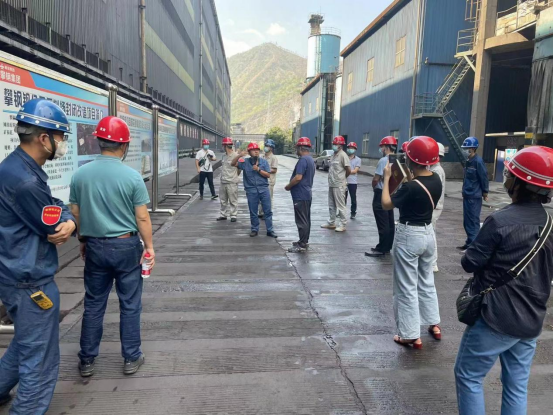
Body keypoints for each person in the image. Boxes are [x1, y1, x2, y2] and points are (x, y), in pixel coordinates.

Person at [454, 146, 553, 415]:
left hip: (496, 316)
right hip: (531, 318)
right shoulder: (549, 223)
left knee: (468, 376)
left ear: (519, 183)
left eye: (510, 175)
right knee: (516, 386)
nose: (506, 179)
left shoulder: (499, 221)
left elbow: (469, 262)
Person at [0, 99, 76, 413]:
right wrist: (68, 220)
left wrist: (67, 215)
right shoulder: (27, 181)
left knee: (25, 344)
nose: (63, 143)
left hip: (14, 275)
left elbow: (52, 205)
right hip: (31, 282)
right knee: (40, 359)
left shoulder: (16, 167)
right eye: (61, 137)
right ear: (44, 138)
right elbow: (53, 224)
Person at [69, 116, 155, 378]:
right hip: (127, 246)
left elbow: (76, 212)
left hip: (95, 246)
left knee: (94, 304)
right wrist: (149, 247)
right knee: (130, 304)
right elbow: (142, 217)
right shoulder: (132, 177)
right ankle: (131, 357)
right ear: (124, 145)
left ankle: (87, 360)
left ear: (99, 142)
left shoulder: (80, 174)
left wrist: (83, 240)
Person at [381, 136, 442, 349]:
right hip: (428, 233)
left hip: (409, 235)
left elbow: (386, 204)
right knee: (426, 280)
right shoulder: (436, 179)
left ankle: (410, 335)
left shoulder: (410, 187)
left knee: (406, 286)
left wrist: (387, 179)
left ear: (410, 159)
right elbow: (418, 185)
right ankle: (433, 324)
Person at [232, 142, 278, 238]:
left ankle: (270, 230)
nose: (256, 152)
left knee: (267, 211)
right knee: (253, 211)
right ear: (249, 152)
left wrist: (258, 170)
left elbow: (268, 175)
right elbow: (233, 163)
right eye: (253, 150)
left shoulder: (264, 162)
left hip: (264, 189)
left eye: (257, 150)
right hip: (251, 190)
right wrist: (239, 155)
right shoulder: (244, 162)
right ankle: (254, 229)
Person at [366, 136, 397, 257]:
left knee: (382, 221)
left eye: (382, 147)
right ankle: (387, 246)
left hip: (381, 192)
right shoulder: (398, 159)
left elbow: (376, 179)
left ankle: (382, 248)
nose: (381, 149)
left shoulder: (384, 160)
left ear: (386, 147)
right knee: (389, 220)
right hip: (391, 192)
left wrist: (374, 187)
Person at [285, 137, 315, 253]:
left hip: (300, 194)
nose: (296, 150)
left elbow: (298, 177)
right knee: (306, 219)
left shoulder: (303, 160)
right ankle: (303, 240)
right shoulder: (310, 159)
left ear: (300, 148)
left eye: (297, 148)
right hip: (306, 193)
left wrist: (289, 186)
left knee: (301, 220)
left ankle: (302, 244)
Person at [458, 137, 488, 250]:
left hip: (474, 196)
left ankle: (473, 246)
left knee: (473, 221)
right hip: (467, 194)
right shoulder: (468, 161)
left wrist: (485, 192)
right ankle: (469, 242)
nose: (465, 150)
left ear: (473, 148)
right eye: (464, 148)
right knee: (467, 221)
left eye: (467, 148)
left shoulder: (478, 162)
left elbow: (484, 177)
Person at [320, 136, 351, 232]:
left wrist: (342, 178)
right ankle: (331, 222)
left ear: (340, 145)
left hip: (339, 184)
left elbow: (348, 170)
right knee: (331, 204)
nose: (334, 145)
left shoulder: (343, 155)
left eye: (335, 144)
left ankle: (343, 224)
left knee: (340, 206)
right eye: (333, 144)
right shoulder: (333, 155)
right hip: (332, 183)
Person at [430, 142, 446, 272]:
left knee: (431, 233)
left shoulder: (437, 170)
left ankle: (433, 263)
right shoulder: (434, 168)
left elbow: (435, 190)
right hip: (435, 205)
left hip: (435, 206)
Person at [217, 137, 240, 222]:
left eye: (223, 145)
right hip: (223, 181)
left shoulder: (236, 156)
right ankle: (223, 214)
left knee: (233, 200)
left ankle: (233, 215)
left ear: (225, 146)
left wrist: (235, 176)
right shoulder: (223, 156)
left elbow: (239, 168)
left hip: (232, 182)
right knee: (223, 200)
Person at [258, 138, 279, 219]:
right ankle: (261, 212)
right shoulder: (262, 157)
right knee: (261, 198)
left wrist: (265, 169)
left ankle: (267, 213)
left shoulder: (273, 158)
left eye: (268, 146)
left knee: (268, 198)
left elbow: (274, 169)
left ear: (271, 148)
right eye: (265, 145)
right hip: (261, 180)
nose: (266, 147)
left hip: (269, 181)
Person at [345, 142, 362, 219]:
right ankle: (342, 212)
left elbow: (355, 171)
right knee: (343, 198)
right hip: (344, 181)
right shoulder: (345, 158)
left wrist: (345, 171)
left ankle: (353, 212)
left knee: (353, 198)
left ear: (355, 149)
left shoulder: (358, 160)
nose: (350, 149)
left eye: (352, 148)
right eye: (349, 148)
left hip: (353, 182)